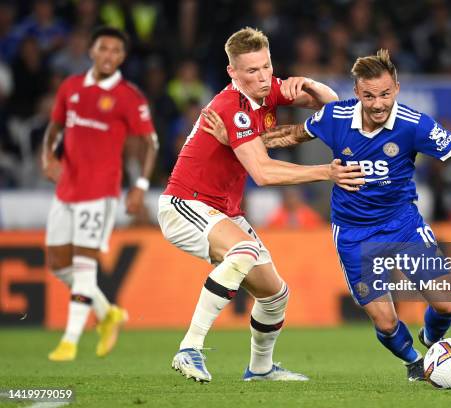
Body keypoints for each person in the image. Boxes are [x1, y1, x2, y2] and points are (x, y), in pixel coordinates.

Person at [206, 49, 451, 381]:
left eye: (385, 94)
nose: (379, 103)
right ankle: (415, 363)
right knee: (385, 322)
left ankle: (430, 340)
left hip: (402, 224)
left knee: (447, 306)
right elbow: (292, 134)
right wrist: (239, 140)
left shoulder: (414, 126)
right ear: (357, 93)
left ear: (396, 88)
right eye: (369, 96)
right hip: (354, 232)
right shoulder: (336, 117)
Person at [157, 27, 363, 383]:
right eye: (251, 71)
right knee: (244, 252)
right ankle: (189, 348)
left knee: (275, 294)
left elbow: (338, 108)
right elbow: (263, 173)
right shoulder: (230, 107)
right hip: (184, 203)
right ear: (232, 73)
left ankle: (261, 368)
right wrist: (326, 172)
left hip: (223, 210)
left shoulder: (267, 90)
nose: (263, 77)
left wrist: (310, 84)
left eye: (266, 67)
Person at [42, 26, 158, 361]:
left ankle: (70, 340)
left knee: (82, 266)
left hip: (100, 191)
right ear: (91, 51)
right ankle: (108, 313)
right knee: (57, 264)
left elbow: (150, 142)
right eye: (103, 49)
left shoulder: (128, 96)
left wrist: (139, 186)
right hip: (66, 190)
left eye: (116, 51)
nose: (109, 55)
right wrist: (47, 157)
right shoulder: (71, 87)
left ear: (122, 57)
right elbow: (55, 126)